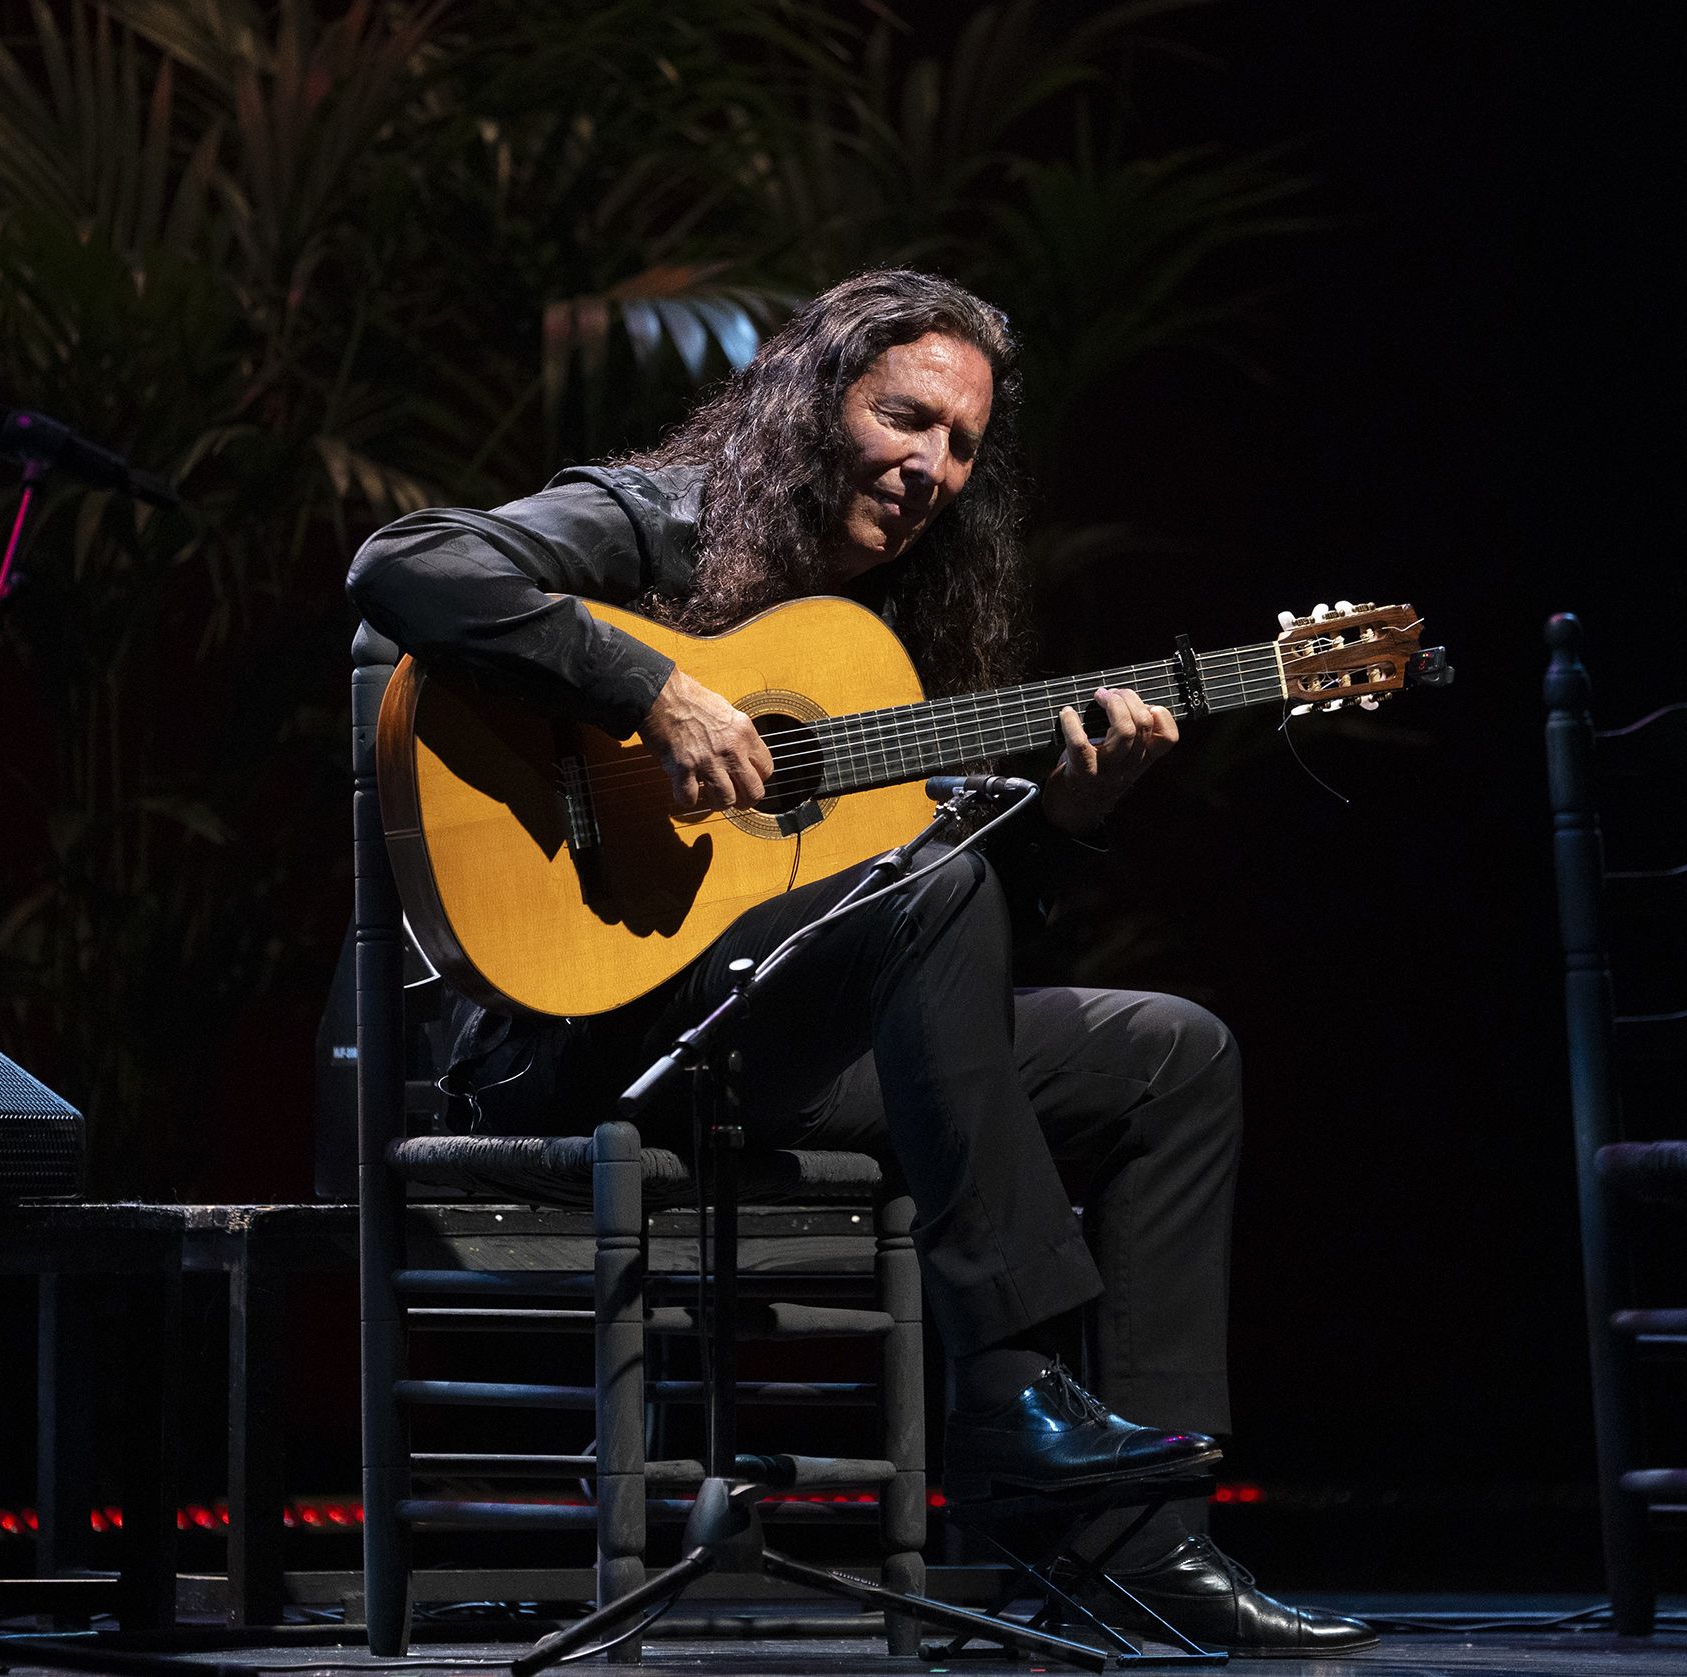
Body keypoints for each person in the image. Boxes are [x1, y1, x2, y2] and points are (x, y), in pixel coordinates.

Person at [348, 269, 1373, 1657]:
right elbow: (402, 566)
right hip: (580, 1041)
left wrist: (1066, 827)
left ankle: (1149, 1542)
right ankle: (1008, 1386)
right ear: (815, 397)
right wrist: (648, 684)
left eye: (962, 446)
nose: (933, 467)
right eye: (906, 417)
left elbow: (920, 942)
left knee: (1171, 1052)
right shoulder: (664, 520)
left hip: (768, 1041)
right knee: (931, 880)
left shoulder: (891, 640)